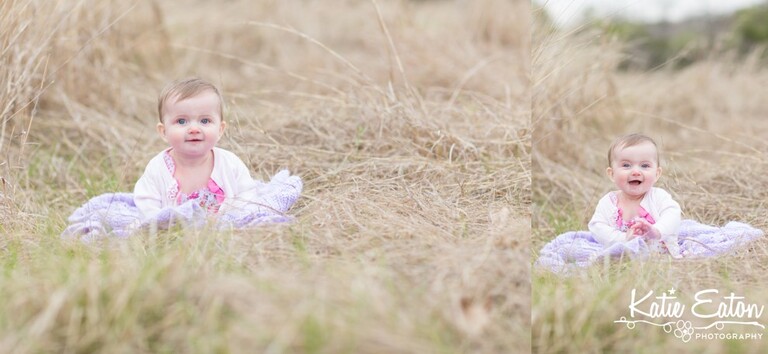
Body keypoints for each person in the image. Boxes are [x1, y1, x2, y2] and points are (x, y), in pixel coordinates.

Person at [133, 77, 259, 219]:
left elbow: (248, 194)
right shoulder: (157, 168)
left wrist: (233, 217)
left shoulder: (230, 163)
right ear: (164, 132)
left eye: (205, 121)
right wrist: (161, 223)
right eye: (181, 121)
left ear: (220, 129)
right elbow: (146, 203)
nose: (194, 129)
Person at [588, 133, 681, 256]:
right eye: (626, 165)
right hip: (623, 258)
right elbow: (597, 227)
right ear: (612, 174)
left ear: (657, 174)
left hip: (660, 256)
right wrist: (624, 238)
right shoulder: (608, 202)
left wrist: (657, 231)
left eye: (645, 165)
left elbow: (673, 214)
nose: (636, 171)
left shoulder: (658, 197)